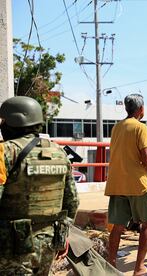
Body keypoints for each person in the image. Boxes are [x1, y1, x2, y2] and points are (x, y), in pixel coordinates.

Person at [0, 96, 79, 275]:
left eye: (3, 120)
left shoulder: (5, 151)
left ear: (14, 121)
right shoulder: (58, 152)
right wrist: (63, 234)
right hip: (49, 240)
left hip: (13, 244)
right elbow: (72, 201)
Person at [105, 94, 147, 276]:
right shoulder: (141, 127)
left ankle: (110, 266)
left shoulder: (117, 127)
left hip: (117, 182)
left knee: (118, 226)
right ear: (141, 109)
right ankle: (139, 268)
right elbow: (146, 157)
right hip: (137, 183)